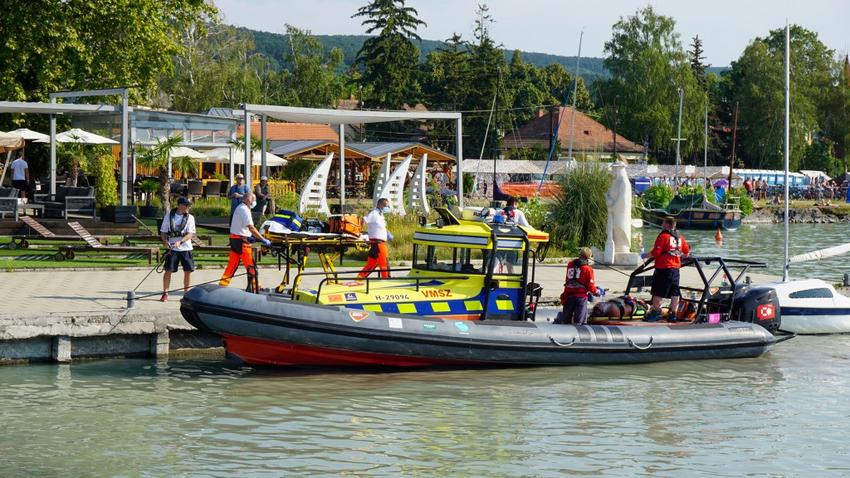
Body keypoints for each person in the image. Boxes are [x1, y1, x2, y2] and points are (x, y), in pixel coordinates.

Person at [219, 192, 271, 293]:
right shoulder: (245, 210)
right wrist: (262, 239)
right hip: (242, 243)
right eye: (254, 199)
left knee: (232, 266)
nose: (255, 202)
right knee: (251, 266)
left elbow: (242, 227)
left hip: (235, 240)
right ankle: (255, 288)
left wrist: (251, 237)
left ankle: (222, 287)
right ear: (248, 200)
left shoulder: (240, 208)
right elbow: (251, 227)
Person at [646, 216, 691, 322]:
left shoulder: (663, 236)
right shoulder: (680, 237)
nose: (662, 225)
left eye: (663, 223)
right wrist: (680, 256)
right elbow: (686, 251)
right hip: (675, 268)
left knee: (658, 291)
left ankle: (655, 312)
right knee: (674, 292)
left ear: (666, 225)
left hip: (664, 268)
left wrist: (644, 255)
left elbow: (656, 253)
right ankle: (673, 313)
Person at [159, 197, 196, 302]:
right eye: (186, 205)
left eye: (188, 205)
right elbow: (163, 232)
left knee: (188, 271)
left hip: (186, 248)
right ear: (180, 205)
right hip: (172, 248)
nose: (188, 207)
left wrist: (180, 241)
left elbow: (190, 234)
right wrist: (165, 242)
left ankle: (186, 294)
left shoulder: (190, 218)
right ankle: (165, 293)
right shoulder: (169, 216)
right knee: (168, 270)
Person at [556, 248, 604, 325]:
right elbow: (591, 287)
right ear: (588, 257)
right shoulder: (588, 269)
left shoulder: (570, 265)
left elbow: (567, 280)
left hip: (568, 296)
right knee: (580, 323)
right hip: (580, 298)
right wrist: (598, 292)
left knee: (565, 321)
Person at [359, 198, 392, 279]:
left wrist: (387, 233)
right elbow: (363, 220)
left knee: (372, 263)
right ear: (381, 205)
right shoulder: (374, 213)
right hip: (378, 243)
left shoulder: (381, 214)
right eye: (386, 206)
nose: (387, 207)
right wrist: (359, 231)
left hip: (377, 243)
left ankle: (359, 278)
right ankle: (387, 280)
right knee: (384, 262)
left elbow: (380, 226)